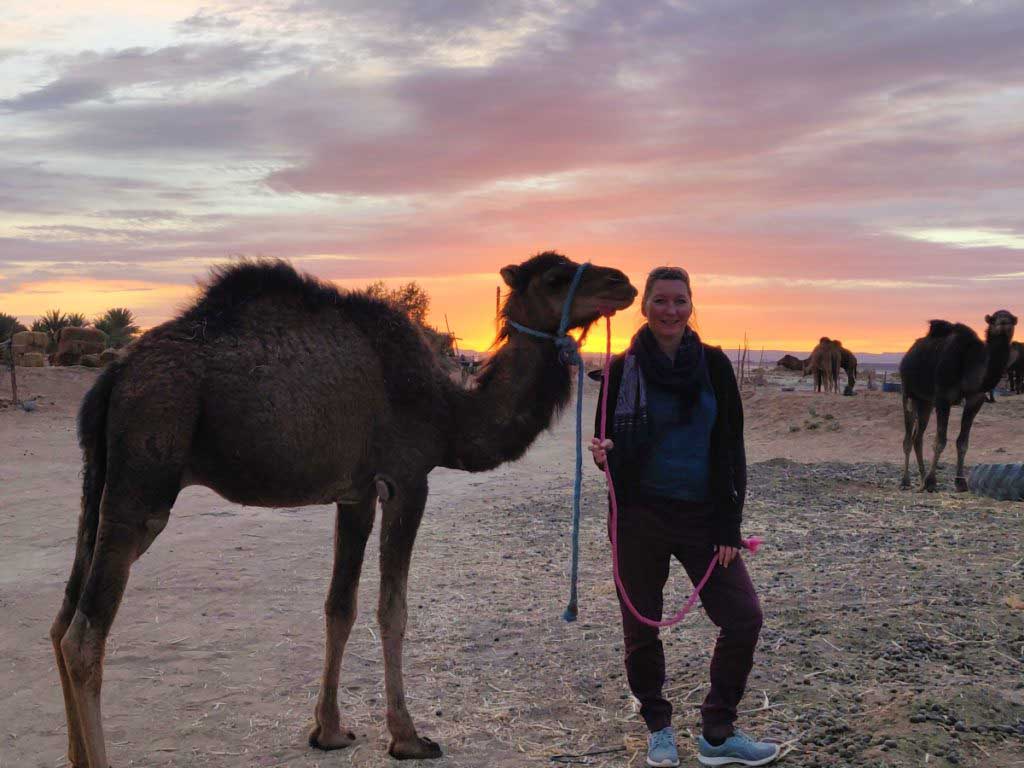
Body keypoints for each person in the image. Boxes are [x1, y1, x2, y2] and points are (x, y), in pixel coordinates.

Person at [589, 267, 778, 767]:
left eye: (679, 301)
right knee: (641, 627)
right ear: (645, 306)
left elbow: (731, 449)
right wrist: (603, 453)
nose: (670, 310)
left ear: (691, 305)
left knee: (743, 617)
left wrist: (729, 528)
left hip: (703, 517)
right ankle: (658, 726)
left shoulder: (714, 366)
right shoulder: (619, 370)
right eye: (661, 301)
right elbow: (606, 450)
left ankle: (718, 731)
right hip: (638, 519)